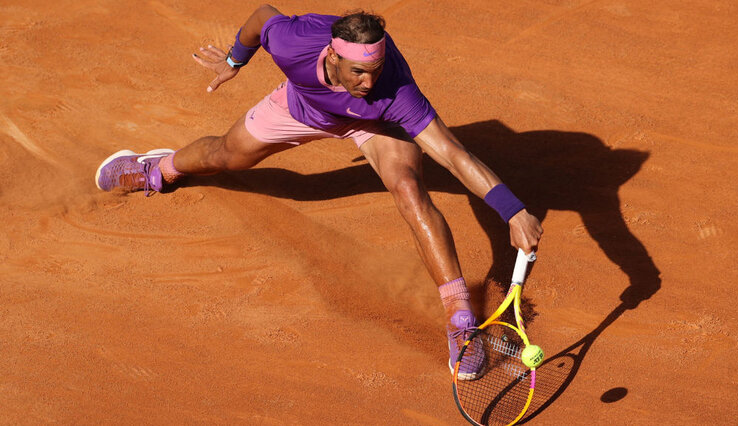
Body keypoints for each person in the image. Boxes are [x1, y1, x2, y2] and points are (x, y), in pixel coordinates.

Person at [95, 5, 543, 380]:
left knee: (409, 189)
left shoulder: (393, 92)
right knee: (228, 156)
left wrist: (513, 211)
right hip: (303, 107)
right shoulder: (295, 41)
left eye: (376, 71)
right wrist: (234, 62)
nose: (368, 83)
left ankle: (460, 320)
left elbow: (455, 155)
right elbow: (260, 17)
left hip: (376, 126)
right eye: (358, 73)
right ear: (332, 55)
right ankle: (158, 168)